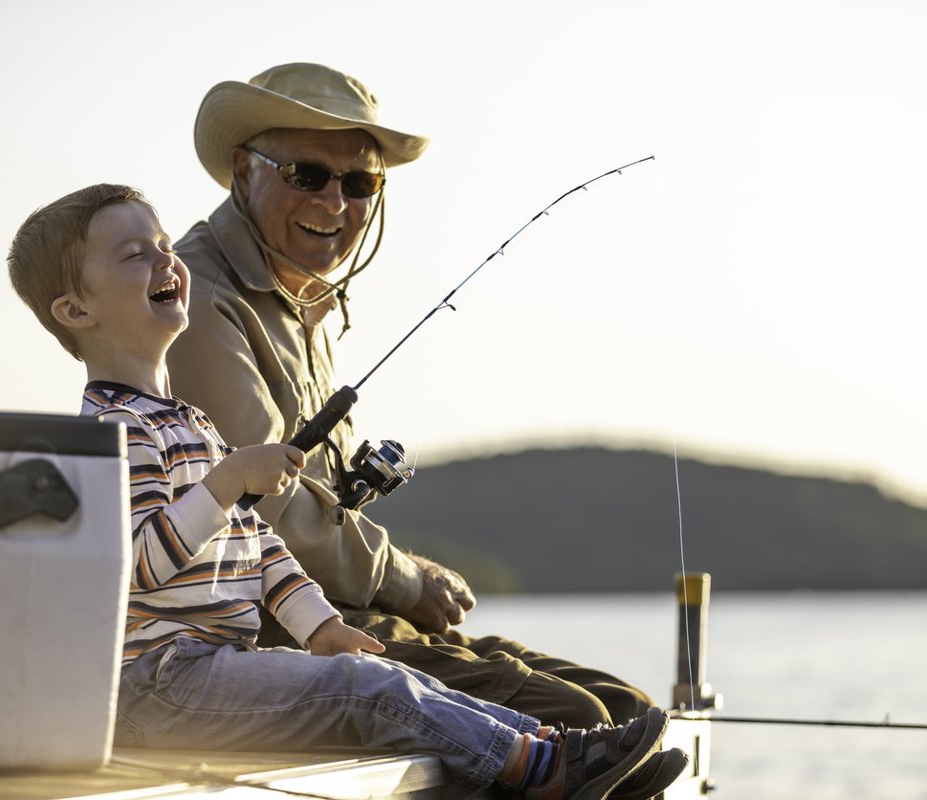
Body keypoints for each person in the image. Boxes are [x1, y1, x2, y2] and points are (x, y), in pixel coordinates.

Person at [5, 183, 687, 800]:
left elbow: (261, 547)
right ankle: (540, 770)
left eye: (162, 245)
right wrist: (226, 480)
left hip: (211, 668)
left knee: (402, 677)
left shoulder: (188, 422)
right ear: (74, 309)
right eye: (134, 254)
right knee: (370, 688)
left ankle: (549, 752)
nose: (165, 260)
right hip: (156, 690)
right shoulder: (111, 434)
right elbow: (140, 564)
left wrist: (320, 627)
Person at [165, 62, 655, 729]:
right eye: (306, 174)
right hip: (261, 634)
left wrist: (401, 586)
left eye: (361, 182)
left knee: (631, 709)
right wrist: (407, 580)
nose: (335, 203)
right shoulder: (198, 293)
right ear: (242, 169)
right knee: (579, 718)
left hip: (342, 618)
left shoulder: (302, 295)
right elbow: (268, 518)